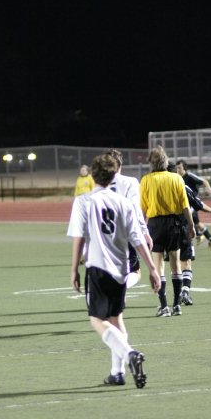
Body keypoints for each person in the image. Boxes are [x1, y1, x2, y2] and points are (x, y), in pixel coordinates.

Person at [68, 154, 161, 388]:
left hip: (97, 268)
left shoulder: (83, 201)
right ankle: (116, 373)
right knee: (116, 319)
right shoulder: (125, 203)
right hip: (121, 269)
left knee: (96, 320)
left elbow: (78, 238)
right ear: (113, 176)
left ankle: (130, 353)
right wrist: (152, 269)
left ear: (92, 175)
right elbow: (137, 239)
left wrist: (74, 270)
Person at [140, 145, 195, 317]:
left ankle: (163, 306)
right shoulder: (176, 178)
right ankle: (176, 305)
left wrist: (142, 228)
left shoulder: (146, 180)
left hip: (155, 225)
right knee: (176, 263)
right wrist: (191, 226)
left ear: (151, 163)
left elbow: (143, 209)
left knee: (158, 266)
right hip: (174, 223)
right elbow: (185, 206)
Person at [104, 148, 153, 288]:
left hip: (104, 232)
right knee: (135, 271)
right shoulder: (130, 182)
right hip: (124, 232)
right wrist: (144, 231)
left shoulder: (99, 184)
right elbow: (135, 209)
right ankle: (121, 288)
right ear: (120, 165)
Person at [175, 159, 211, 247]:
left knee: (186, 217)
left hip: (193, 203)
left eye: (179, 168)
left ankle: (198, 235)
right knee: (197, 223)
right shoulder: (177, 178)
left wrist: (208, 188)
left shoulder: (190, 176)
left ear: (184, 168)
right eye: (177, 168)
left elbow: (204, 181)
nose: (178, 170)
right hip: (186, 204)